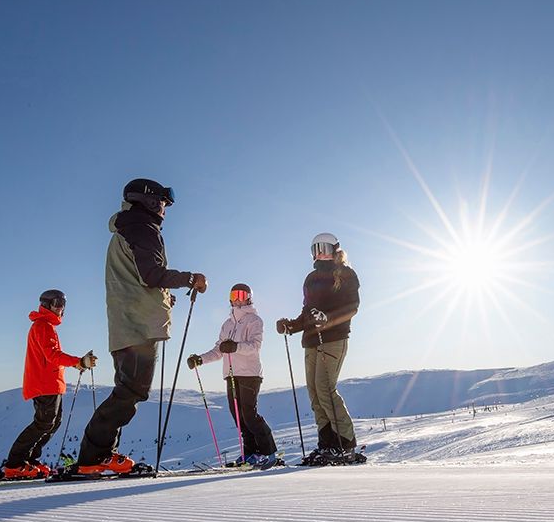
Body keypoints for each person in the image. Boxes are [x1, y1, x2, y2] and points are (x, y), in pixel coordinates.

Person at [69, 178, 207, 476]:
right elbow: (151, 275)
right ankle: (93, 457)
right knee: (132, 390)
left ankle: (101, 455)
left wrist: (164, 298)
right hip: (138, 326)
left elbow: (137, 278)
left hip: (127, 322)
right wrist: (190, 278)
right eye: (160, 202)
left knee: (128, 389)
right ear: (145, 201)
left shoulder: (128, 228)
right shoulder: (143, 228)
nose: (164, 209)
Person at [276, 233, 365, 466]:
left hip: (334, 338)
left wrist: (328, 319)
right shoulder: (312, 277)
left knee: (325, 389)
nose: (319, 253)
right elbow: (308, 312)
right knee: (315, 393)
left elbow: (352, 306)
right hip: (312, 340)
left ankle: (345, 445)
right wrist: (292, 326)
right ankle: (327, 444)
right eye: (315, 248)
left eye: (324, 247)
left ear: (335, 249)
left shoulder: (346, 273)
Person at [4, 289, 97, 479]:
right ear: (46, 305)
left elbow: (51, 357)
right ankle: (15, 463)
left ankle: (28, 460)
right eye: (57, 303)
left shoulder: (46, 326)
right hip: (44, 384)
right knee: (44, 423)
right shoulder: (43, 326)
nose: (61, 308)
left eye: (63, 304)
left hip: (49, 383)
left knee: (52, 423)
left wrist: (77, 363)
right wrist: (78, 361)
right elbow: (52, 355)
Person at [187, 283, 279, 469]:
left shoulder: (254, 320)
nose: (237, 298)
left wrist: (235, 347)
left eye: (241, 294)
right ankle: (251, 453)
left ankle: (269, 452)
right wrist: (200, 360)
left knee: (249, 415)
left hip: (249, 374)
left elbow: (255, 346)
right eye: (234, 294)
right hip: (230, 374)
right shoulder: (227, 324)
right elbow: (218, 350)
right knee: (239, 417)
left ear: (248, 297)